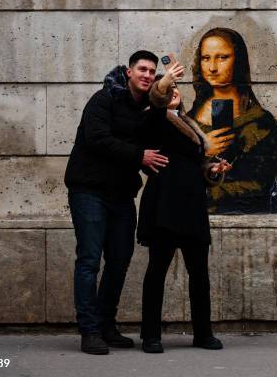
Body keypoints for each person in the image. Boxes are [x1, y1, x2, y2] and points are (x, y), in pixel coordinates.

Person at [64, 50, 177, 355]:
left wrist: (162, 103)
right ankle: (89, 331)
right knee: (89, 260)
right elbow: (97, 138)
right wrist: (139, 155)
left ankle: (105, 324)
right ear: (128, 72)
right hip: (89, 190)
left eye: (152, 72)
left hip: (122, 195)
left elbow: (153, 142)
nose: (147, 75)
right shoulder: (104, 99)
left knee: (119, 261)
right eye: (142, 69)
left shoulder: (147, 107)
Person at [137, 70, 232, 353]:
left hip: (191, 206)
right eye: (169, 89)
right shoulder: (156, 120)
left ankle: (203, 334)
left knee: (199, 274)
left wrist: (213, 170)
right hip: (165, 205)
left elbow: (195, 165)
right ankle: (151, 336)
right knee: (157, 272)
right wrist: (163, 83)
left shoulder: (189, 125)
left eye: (177, 89)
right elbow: (155, 102)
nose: (174, 91)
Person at [188, 27, 277, 214]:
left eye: (222, 57)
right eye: (206, 58)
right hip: (197, 222)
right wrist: (203, 151)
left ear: (238, 61)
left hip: (250, 221)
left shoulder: (263, 123)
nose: (212, 67)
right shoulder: (188, 121)